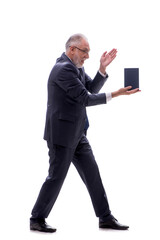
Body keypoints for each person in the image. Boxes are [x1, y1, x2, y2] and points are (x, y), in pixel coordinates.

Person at [30, 33, 140, 233]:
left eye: (89, 51)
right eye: (85, 51)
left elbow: (90, 87)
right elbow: (86, 98)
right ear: (72, 49)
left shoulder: (75, 68)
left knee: (92, 174)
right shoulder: (63, 70)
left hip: (78, 133)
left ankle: (105, 217)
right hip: (61, 136)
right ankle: (36, 218)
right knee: (56, 177)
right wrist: (117, 94)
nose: (88, 56)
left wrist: (102, 69)